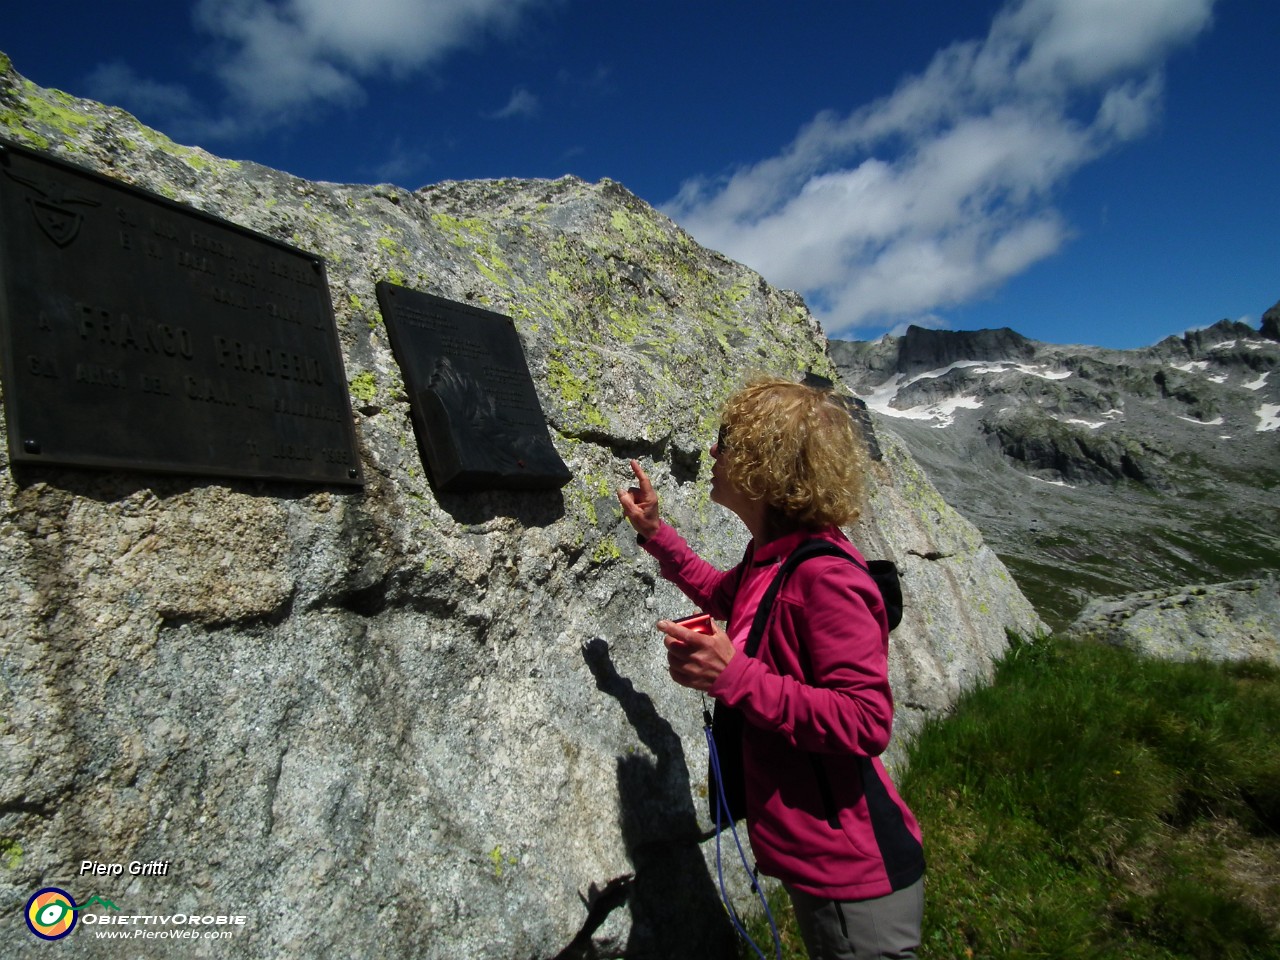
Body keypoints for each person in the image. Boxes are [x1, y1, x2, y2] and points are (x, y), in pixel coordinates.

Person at [617, 375, 925, 960]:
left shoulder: (825, 575)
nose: (713, 454)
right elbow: (727, 596)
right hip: (822, 859)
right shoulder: (774, 556)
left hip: (853, 875)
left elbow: (866, 721)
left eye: (726, 443)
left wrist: (731, 676)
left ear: (765, 464)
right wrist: (657, 534)